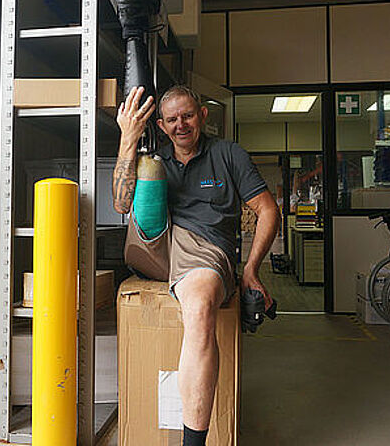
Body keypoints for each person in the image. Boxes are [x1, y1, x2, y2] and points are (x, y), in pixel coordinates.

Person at [112, 84, 280, 446]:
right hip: (153, 244)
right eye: (171, 120)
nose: (181, 125)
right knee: (148, 175)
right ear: (161, 125)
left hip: (203, 249)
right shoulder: (154, 156)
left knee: (200, 307)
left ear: (203, 115)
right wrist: (128, 138)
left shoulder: (228, 154)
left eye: (188, 115)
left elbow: (268, 210)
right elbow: (122, 205)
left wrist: (251, 270)